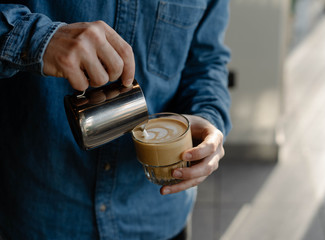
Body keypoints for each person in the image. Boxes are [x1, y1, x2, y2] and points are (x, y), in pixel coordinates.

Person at [0, 0, 231, 239]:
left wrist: (209, 117)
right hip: (41, 211)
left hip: (155, 216)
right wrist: (36, 39)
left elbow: (206, 62)